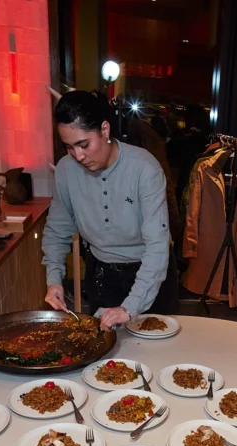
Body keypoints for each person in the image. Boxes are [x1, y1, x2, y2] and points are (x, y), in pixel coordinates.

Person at [42, 90, 177, 330]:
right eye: (69, 147)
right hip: (101, 274)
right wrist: (54, 280)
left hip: (149, 271)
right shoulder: (66, 169)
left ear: (104, 130)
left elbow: (157, 245)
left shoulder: (145, 169)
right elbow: (57, 230)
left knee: (154, 354)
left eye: (83, 144)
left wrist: (130, 307)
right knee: (107, 354)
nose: (78, 156)